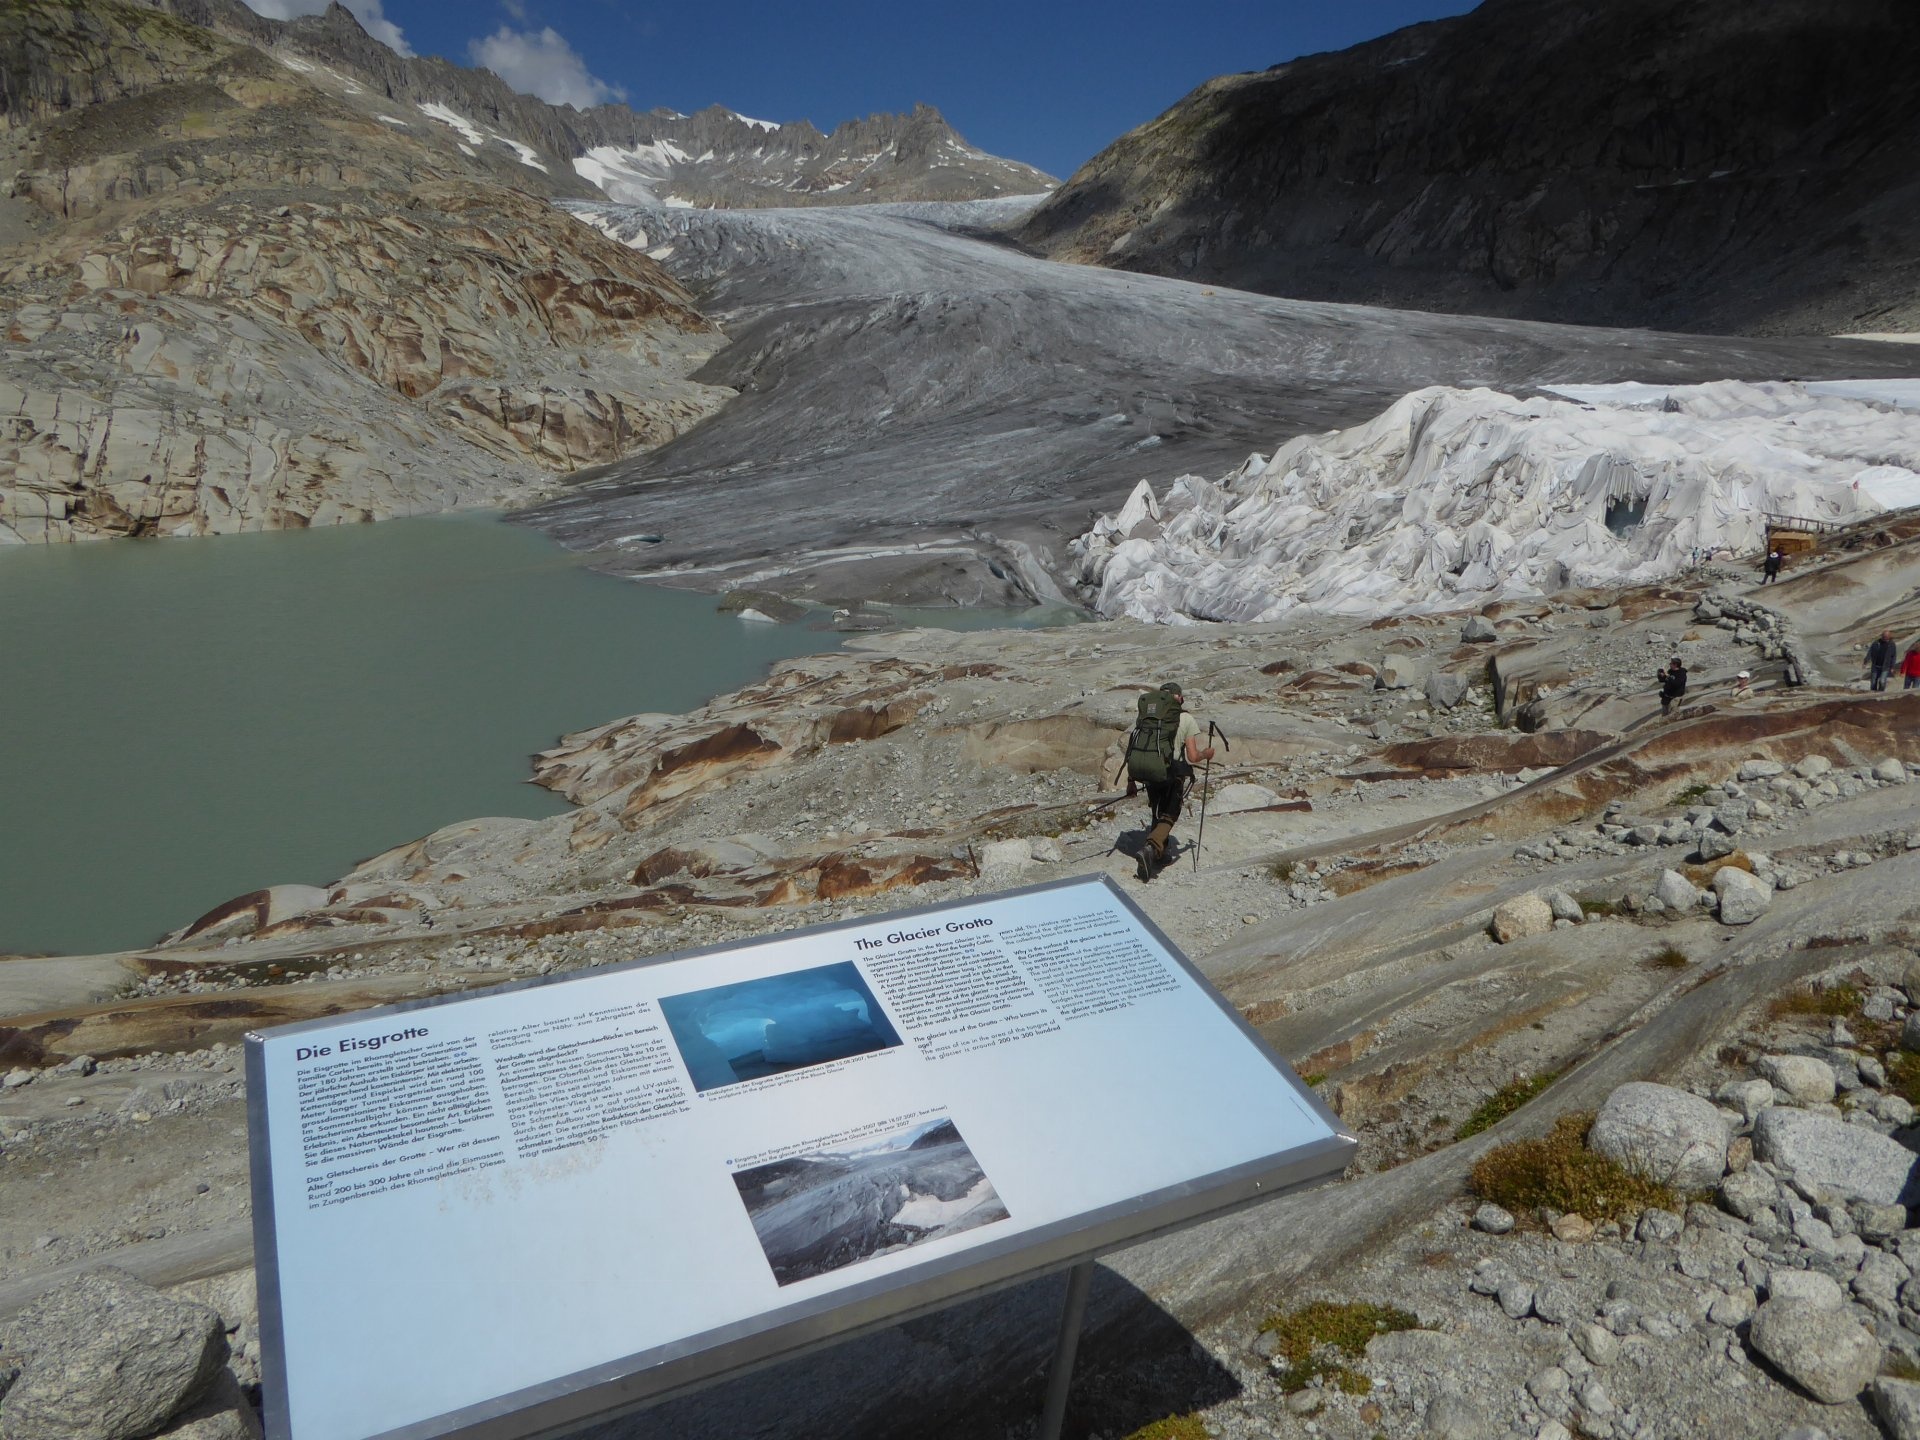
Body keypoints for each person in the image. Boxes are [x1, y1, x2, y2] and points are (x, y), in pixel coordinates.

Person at [1125, 680, 1214, 881]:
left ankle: (1161, 854)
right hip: (1171, 772)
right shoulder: (1186, 719)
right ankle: (1150, 848)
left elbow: (1136, 747)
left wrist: (1131, 780)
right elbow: (1192, 756)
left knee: (1157, 809)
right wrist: (1206, 754)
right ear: (1179, 698)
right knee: (1170, 812)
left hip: (1148, 771)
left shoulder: (1149, 717)